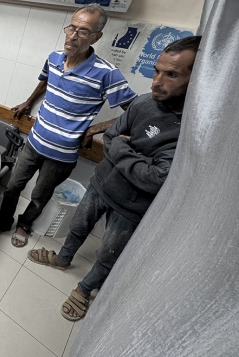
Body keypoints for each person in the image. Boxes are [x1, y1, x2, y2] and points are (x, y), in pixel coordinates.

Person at [27, 36, 201, 321]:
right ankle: (63, 258)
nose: (157, 82)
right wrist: (130, 153)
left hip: (131, 205)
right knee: (78, 227)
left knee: (109, 252)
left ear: (196, 79)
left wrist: (121, 148)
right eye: (157, 71)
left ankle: (84, 290)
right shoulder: (143, 103)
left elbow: (155, 178)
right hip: (101, 184)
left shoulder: (190, 129)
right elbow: (110, 137)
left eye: (171, 75)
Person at [0, 4, 137, 248]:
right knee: (12, 187)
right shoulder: (54, 58)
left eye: (83, 31)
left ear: (96, 37)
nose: (73, 36)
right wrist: (29, 102)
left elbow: (135, 111)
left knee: (40, 196)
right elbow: (46, 81)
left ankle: (24, 224)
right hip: (34, 142)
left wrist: (94, 129)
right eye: (71, 28)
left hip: (62, 155)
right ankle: (3, 222)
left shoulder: (106, 73)